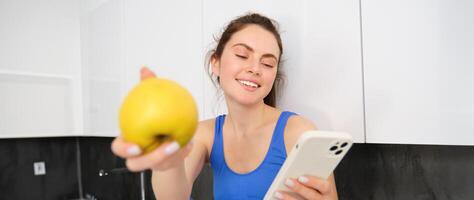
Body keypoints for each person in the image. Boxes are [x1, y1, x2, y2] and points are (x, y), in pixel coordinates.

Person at [111, 13, 339, 200]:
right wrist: (167, 163)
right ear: (216, 63)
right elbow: (172, 197)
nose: (255, 68)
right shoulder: (205, 134)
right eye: (242, 55)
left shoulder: (298, 132)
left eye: (267, 63)